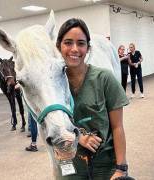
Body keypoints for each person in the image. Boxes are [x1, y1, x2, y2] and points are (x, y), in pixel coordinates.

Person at [56, 18, 132, 180]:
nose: (74, 49)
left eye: (81, 43)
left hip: (105, 163)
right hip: (68, 161)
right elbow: (51, 125)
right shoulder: (54, 83)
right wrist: (78, 137)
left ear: (88, 48)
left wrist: (121, 168)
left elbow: (117, 127)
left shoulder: (104, 78)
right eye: (68, 42)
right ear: (59, 46)